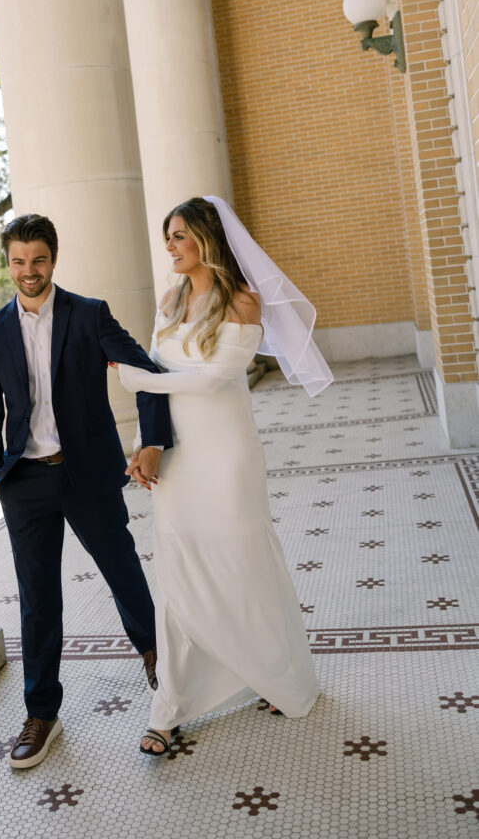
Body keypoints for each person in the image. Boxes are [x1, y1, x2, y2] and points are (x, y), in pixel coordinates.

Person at [114, 196, 333, 755]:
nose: (170, 246)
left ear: (207, 239)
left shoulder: (243, 302)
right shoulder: (168, 300)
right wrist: (145, 444)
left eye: (179, 236)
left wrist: (140, 381)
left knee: (244, 563)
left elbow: (213, 381)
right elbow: (163, 383)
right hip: (179, 459)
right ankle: (169, 708)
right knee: (181, 575)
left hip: (227, 455)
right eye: (167, 237)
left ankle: (278, 677)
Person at [0, 214, 173, 769]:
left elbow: (144, 371)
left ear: (53, 260)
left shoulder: (88, 315)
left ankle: (162, 669)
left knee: (123, 571)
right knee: (37, 600)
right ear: (7, 263)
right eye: (18, 261)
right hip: (25, 484)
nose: (28, 271)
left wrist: (152, 440)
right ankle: (42, 713)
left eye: (37, 260)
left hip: (87, 474)